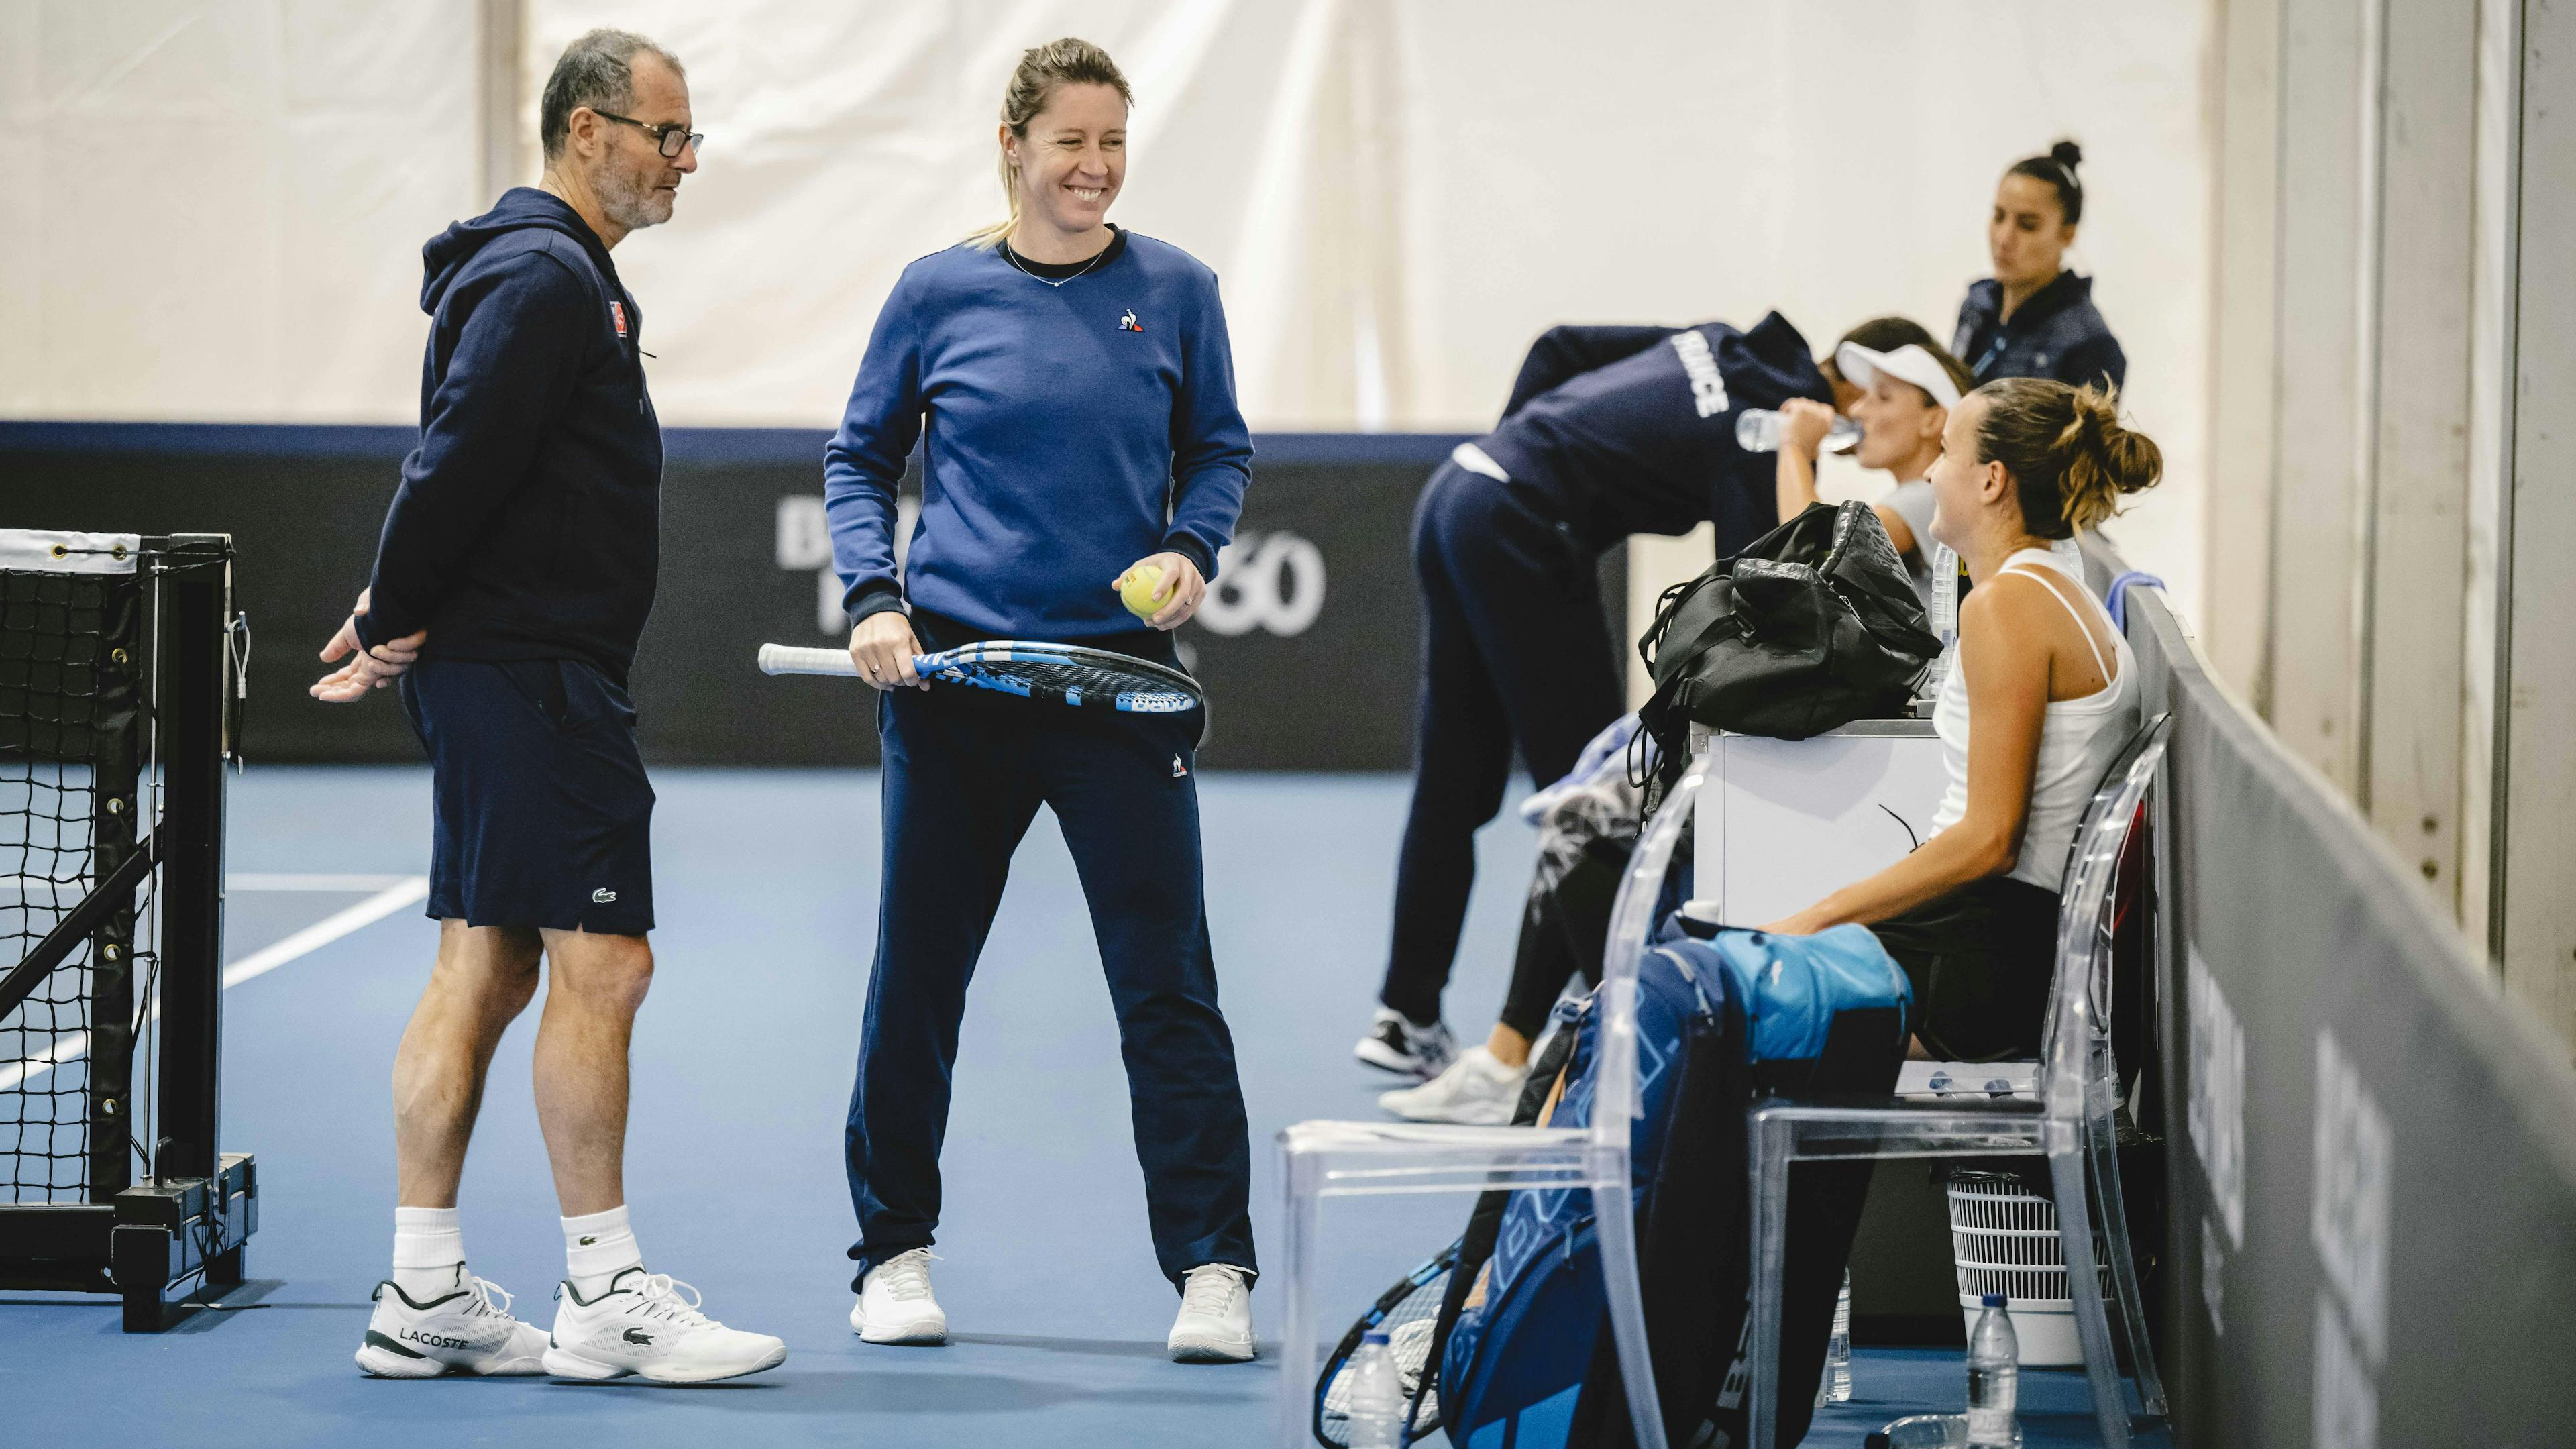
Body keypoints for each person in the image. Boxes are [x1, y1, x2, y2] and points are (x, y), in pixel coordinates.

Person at [314, 30, 785, 1383]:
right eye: (667, 134)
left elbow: (463, 465)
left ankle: (424, 1295)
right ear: (591, 133)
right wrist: (394, 607)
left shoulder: (550, 274)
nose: (685, 160)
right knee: (605, 961)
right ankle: (605, 1294)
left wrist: (387, 605)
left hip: (507, 668)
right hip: (531, 678)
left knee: (487, 959)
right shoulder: (546, 276)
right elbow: (454, 459)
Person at [823, 38, 1260, 1365]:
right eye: (1069, 141)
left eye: (1112, 141)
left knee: (1166, 984)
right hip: (952, 692)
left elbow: (1218, 448)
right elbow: (860, 457)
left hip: (1120, 696)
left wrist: (1192, 548)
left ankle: (1213, 1270)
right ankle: (893, 1251)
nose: (1094, 166)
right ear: (1013, 147)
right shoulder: (934, 292)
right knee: (921, 980)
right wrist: (874, 598)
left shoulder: (1179, 290)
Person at [1355, 314, 1832, 1080]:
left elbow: (1555, 347)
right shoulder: (1763, 434)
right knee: (1600, 803)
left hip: (1462, 486)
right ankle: (1610, 1048)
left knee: (1455, 779)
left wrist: (1524, 449)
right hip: (1520, 530)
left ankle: (1407, 1015)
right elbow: (1752, 596)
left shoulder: (1712, 339)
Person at [1761, 378, 2161, 1061]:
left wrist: (1819, 916)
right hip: (1983, 941)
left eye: (1946, 453)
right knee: (1668, 1001)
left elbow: (1988, 841)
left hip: (1974, 960)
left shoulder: (2008, 605)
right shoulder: (2056, 594)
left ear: (1991, 481)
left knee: (1673, 1004)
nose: (1934, 473)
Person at [1775, 327, 1978, 606]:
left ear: (1933, 420)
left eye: (1882, 397)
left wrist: (1794, 446)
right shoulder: (1921, 497)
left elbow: (1811, 554)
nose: (1857, 410)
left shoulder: (1933, 494)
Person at [1951, 142, 2127, 392]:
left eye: (2028, 225)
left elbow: (2089, 432)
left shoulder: (2090, 345)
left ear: (2067, 235)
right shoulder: (1977, 304)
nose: (2004, 238)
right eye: (1999, 216)